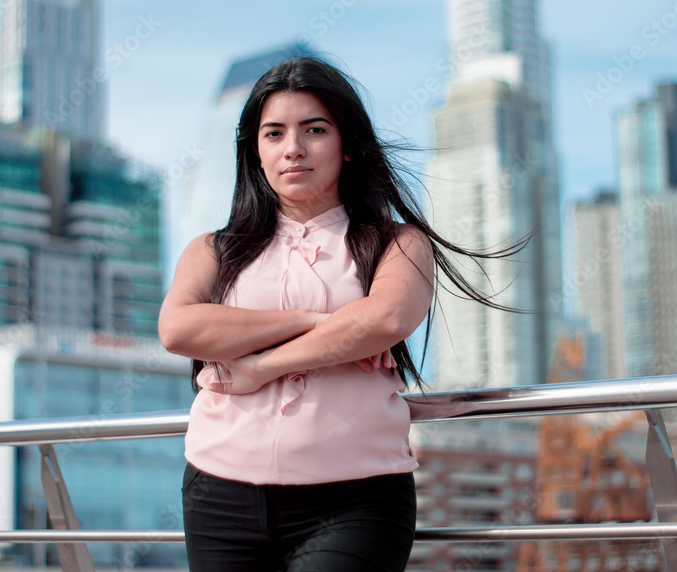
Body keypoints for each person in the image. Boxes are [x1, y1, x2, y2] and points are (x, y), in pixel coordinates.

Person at [159, 55, 526, 571]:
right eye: (274, 134)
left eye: (314, 130)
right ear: (255, 152)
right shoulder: (214, 249)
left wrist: (259, 364)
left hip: (355, 500)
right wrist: (317, 322)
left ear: (348, 145)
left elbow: (385, 321)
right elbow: (178, 329)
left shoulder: (398, 243)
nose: (293, 149)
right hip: (219, 495)